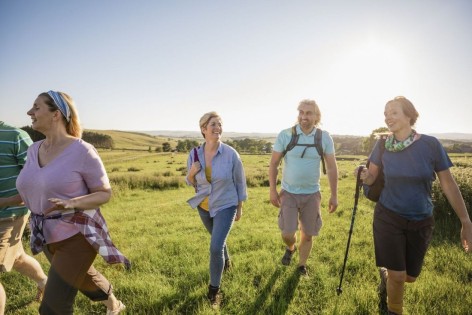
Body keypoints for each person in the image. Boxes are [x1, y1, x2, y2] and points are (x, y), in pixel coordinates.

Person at [16, 91, 130, 315]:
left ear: (56, 114)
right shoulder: (33, 150)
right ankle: (115, 305)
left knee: (53, 308)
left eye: (36, 107)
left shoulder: (82, 150)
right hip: (46, 236)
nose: (30, 112)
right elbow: (30, 190)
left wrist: (72, 202)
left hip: (78, 236)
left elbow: (104, 193)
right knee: (86, 279)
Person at [359, 96, 472, 315]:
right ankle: (394, 310)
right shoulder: (382, 144)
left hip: (421, 219)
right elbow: (372, 177)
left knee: (409, 277)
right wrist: (363, 175)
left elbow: (447, 183)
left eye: (393, 112)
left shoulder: (430, 145)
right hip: (388, 215)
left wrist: (465, 220)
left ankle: (386, 275)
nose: (387, 117)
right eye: (385, 113)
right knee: (399, 276)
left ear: (409, 115)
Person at [269, 99, 338, 276]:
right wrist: (272, 190)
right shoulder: (286, 135)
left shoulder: (324, 137)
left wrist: (334, 195)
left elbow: (331, 167)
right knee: (287, 232)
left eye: (308, 113)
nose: (304, 116)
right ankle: (291, 247)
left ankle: (301, 265)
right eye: (301, 112)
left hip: (312, 194)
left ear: (316, 116)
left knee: (308, 234)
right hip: (288, 193)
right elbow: (274, 163)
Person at [186, 111, 247, 309]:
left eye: (219, 124)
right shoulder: (194, 154)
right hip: (203, 206)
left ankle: (214, 291)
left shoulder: (231, 154)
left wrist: (239, 207)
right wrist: (192, 173)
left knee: (214, 247)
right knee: (217, 239)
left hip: (226, 205)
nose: (217, 128)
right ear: (203, 129)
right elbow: (189, 182)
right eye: (213, 124)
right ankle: (227, 260)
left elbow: (240, 182)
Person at [0, 121, 48, 314]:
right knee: (17, 257)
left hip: (8, 215)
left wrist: (6, 202)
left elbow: (38, 179)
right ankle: (46, 284)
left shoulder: (15, 136)